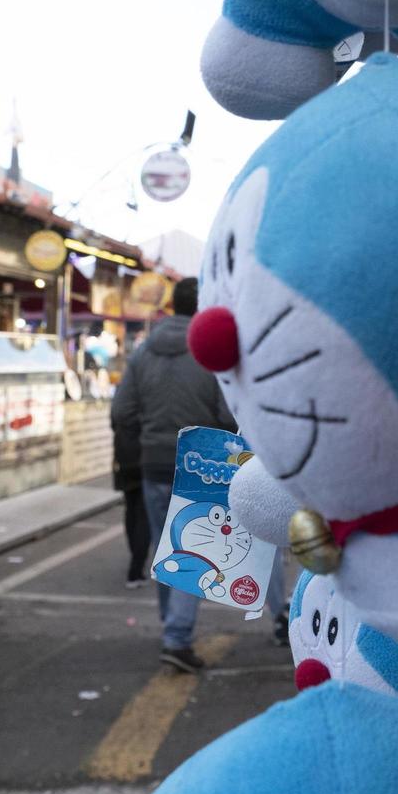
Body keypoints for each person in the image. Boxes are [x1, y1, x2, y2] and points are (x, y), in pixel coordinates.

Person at [113, 277, 266, 673]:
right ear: (201, 305)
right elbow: (225, 413)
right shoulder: (206, 354)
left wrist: (145, 439)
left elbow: (121, 413)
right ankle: (176, 638)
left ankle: (171, 628)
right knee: (193, 550)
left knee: (167, 549)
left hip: (152, 463)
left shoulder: (142, 352)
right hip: (199, 464)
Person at [112, 399, 149, 589]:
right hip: (147, 457)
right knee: (143, 516)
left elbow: (113, 419)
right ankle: (135, 570)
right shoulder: (151, 387)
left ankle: (136, 554)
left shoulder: (123, 392)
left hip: (124, 458)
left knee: (131, 510)